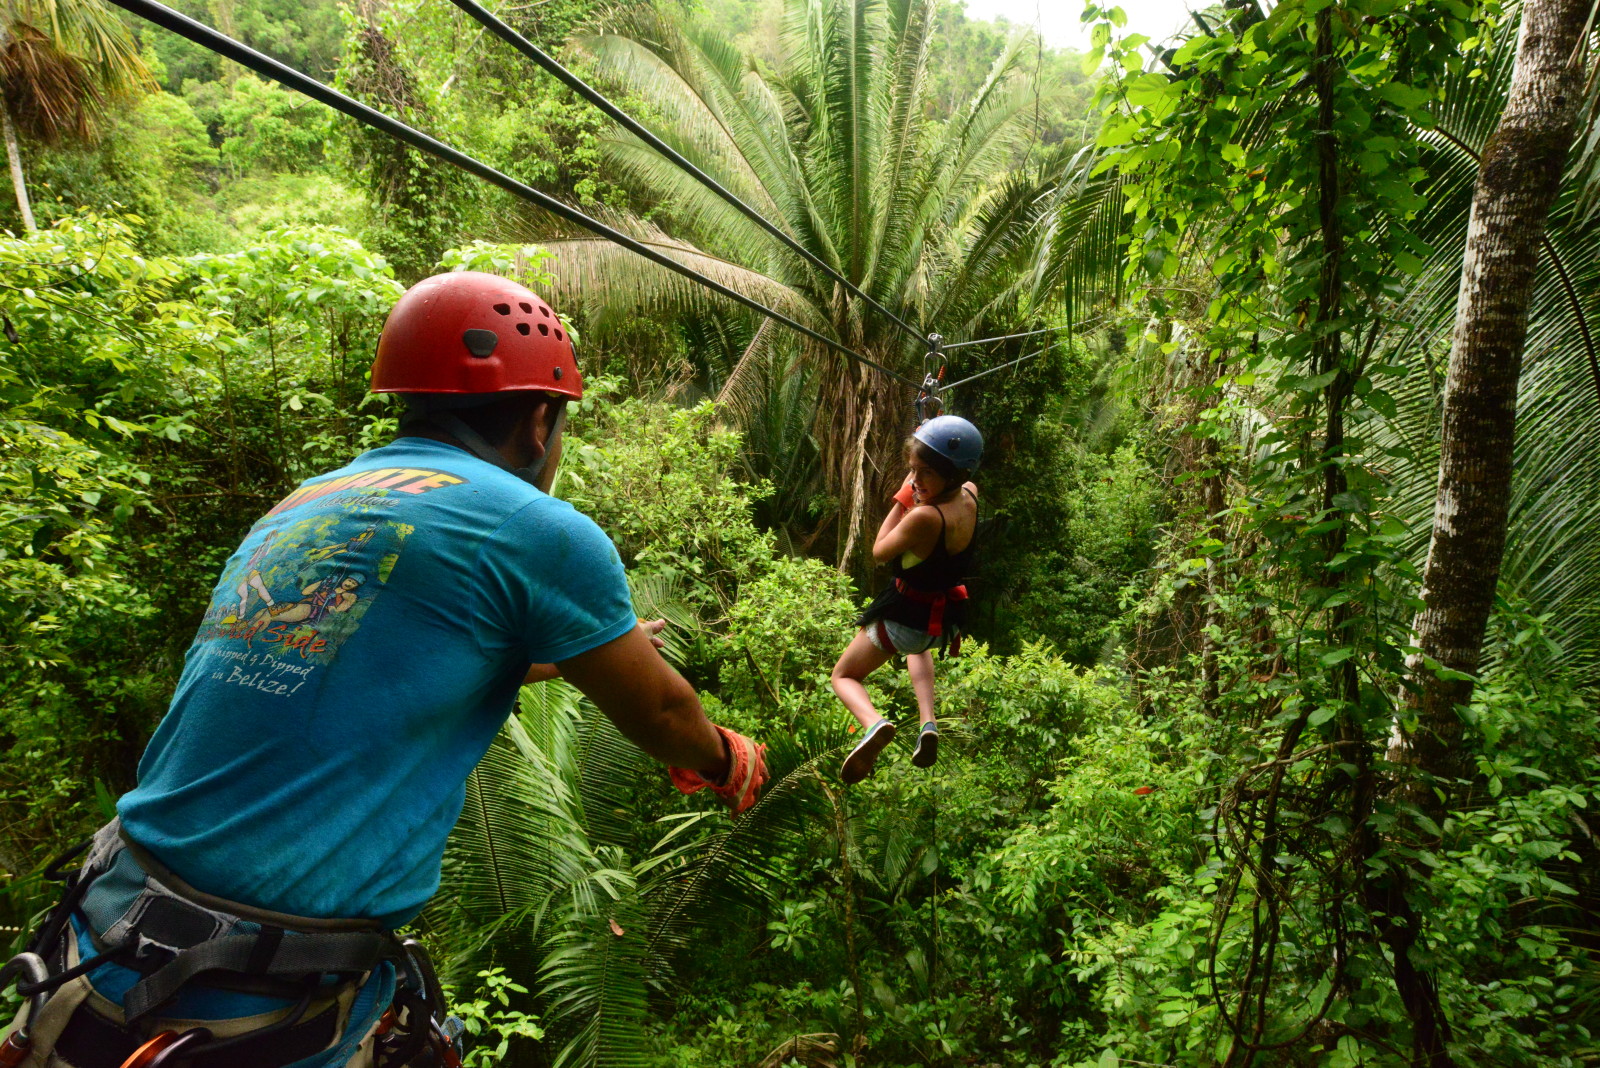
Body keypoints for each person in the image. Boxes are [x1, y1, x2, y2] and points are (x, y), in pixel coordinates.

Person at [0, 272, 767, 1068]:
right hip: (250, 999)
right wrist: (719, 757)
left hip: (104, 937)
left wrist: (589, 657)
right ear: (540, 422)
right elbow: (666, 719)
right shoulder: (534, 525)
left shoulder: (303, 502)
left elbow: (397, 656)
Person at [831, 416, 981, 785]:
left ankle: (873, 724)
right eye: (912, 471)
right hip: (942, 623)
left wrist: (901, 501)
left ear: (951, 475)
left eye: (925, 473)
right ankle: (927, 722)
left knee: (843, 676)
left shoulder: (925, 517)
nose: (915, 481)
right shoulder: (970, 494)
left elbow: (880, 551)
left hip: (906, 618)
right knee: (919, 648)